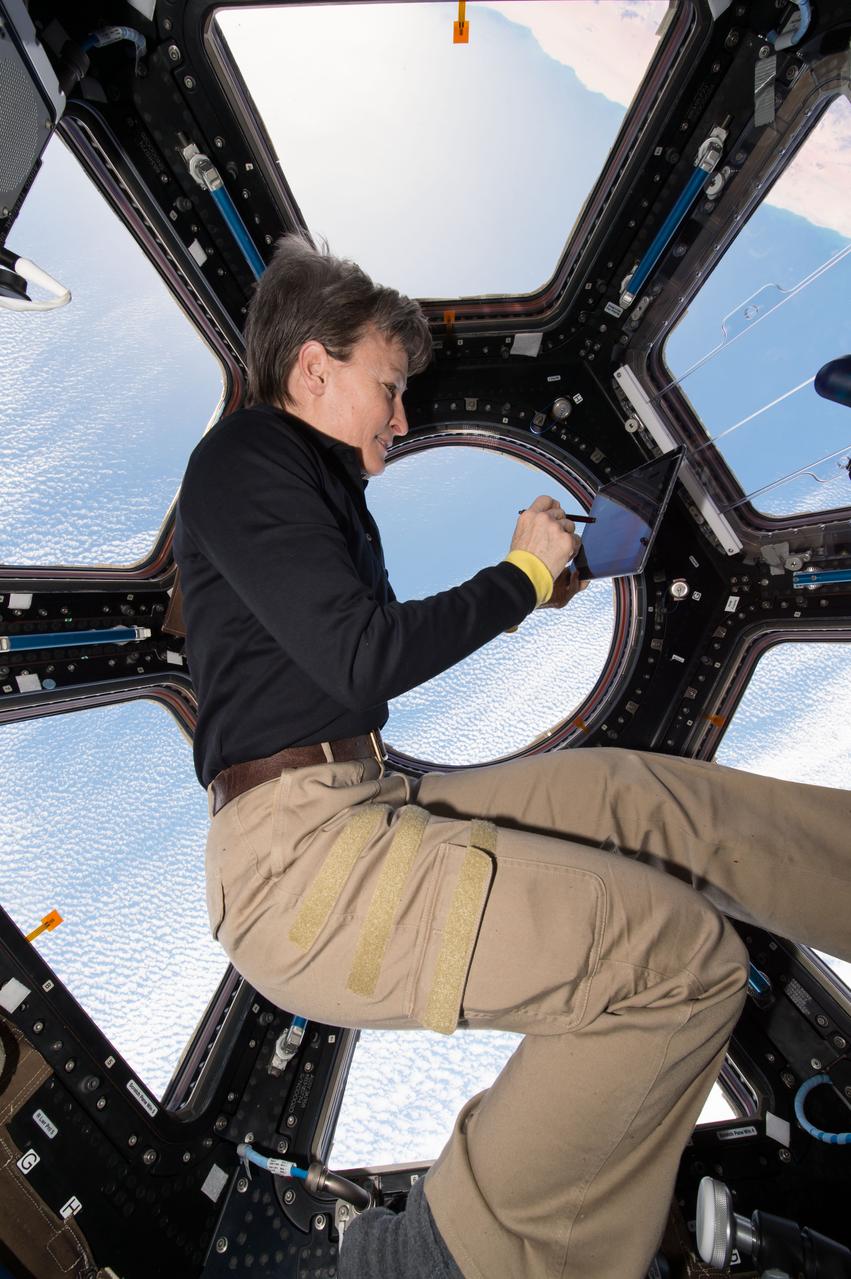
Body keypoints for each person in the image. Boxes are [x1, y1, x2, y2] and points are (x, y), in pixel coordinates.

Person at [174, 235, 851, 1279]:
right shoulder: (245, 456)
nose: (400, 421)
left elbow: (340, 660)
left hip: (363, 798)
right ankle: (425, 1263)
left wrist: (548, 576)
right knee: (672, 966)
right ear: (313, 367)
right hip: (298, 865)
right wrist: (522, 579)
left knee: (640, 800)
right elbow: (362, 662)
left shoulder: (307, 487)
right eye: (388, 388)